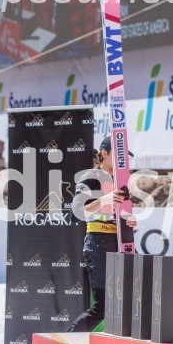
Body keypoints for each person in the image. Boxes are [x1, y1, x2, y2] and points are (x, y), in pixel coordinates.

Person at [68, 136, 137, 332]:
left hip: (119, 244)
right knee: (102, 308)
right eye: (119, 156)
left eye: (126, 158)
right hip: (98, 244)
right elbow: (77, 212)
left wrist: (129, 223)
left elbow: (119, 217)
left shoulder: (121, 182)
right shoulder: (91, 176)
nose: (123, 162)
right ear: (104, 154)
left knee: (124, 303)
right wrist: (105, 199)